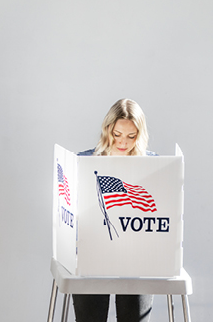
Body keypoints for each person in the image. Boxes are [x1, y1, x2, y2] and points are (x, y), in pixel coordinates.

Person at [72, 98, 154, 322]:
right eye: (117, 134)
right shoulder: (83, 161)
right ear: (107, 129)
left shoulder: (153, 166)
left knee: (134, 314)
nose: (123, 143)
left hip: (137, 258)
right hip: (92, 257)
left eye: (131, 136)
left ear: (140, 134)